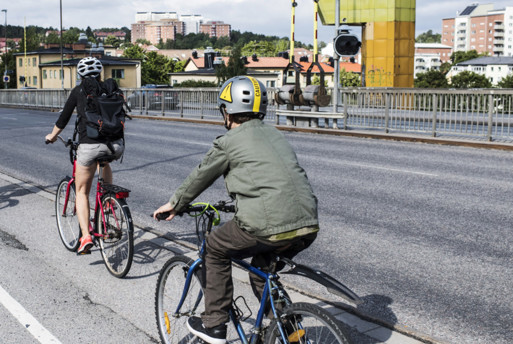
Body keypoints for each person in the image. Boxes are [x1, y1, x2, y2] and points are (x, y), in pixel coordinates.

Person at [153, 76, 319, 344]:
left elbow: (201, 175)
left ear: (226, 111)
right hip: (307, 223)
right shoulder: (275, 134)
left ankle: (214, 325)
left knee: (215, 247)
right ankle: (291, 332)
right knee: (262, 271)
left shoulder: (228, 141)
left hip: (267, 224)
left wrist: (175, 203)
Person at [45, 57, 124, 254]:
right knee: (104, 163)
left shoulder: (78, 91)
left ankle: (86, 237)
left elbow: (62, 119)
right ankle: (108, 199)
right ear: (100, 74)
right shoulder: (111, 89)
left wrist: (52, 136)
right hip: (116, 145)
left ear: (80, 75)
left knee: (81, 192)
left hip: (89, 146)